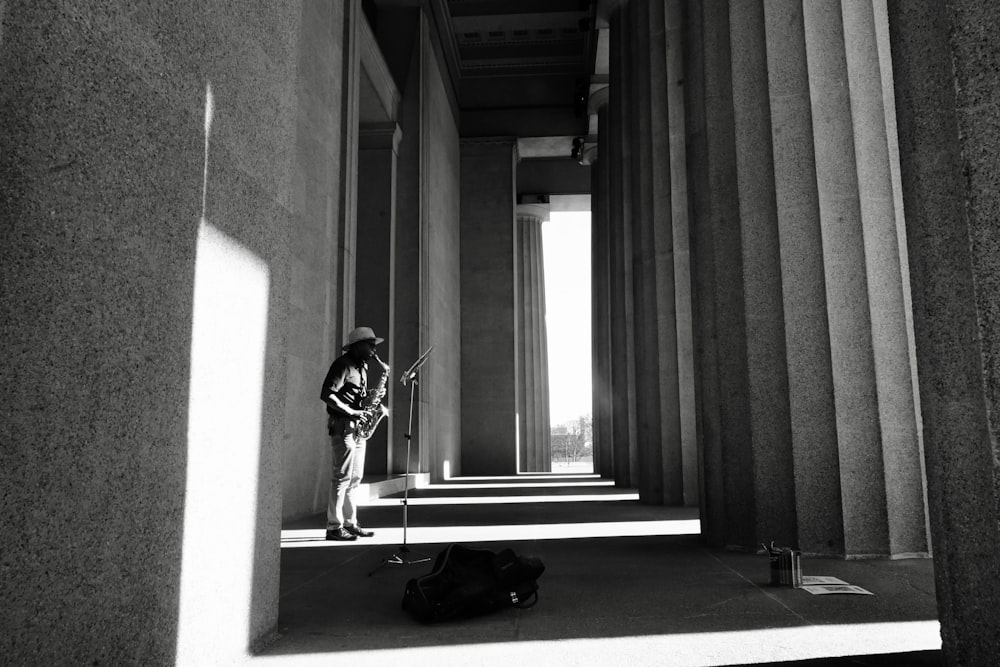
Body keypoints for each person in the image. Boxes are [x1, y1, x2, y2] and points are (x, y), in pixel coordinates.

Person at [320, 326, 385, 541]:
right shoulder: (343, 365)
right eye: (370, 345)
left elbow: (359, 398)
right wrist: (352, 411)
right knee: (341, 477)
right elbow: (327, 394)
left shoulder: (362, 367)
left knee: (355, 478)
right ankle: (333, 527)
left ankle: (350, 523)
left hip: (357, 429)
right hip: (342, 426)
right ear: (357, 346)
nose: (373, 350)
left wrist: (372, 398)